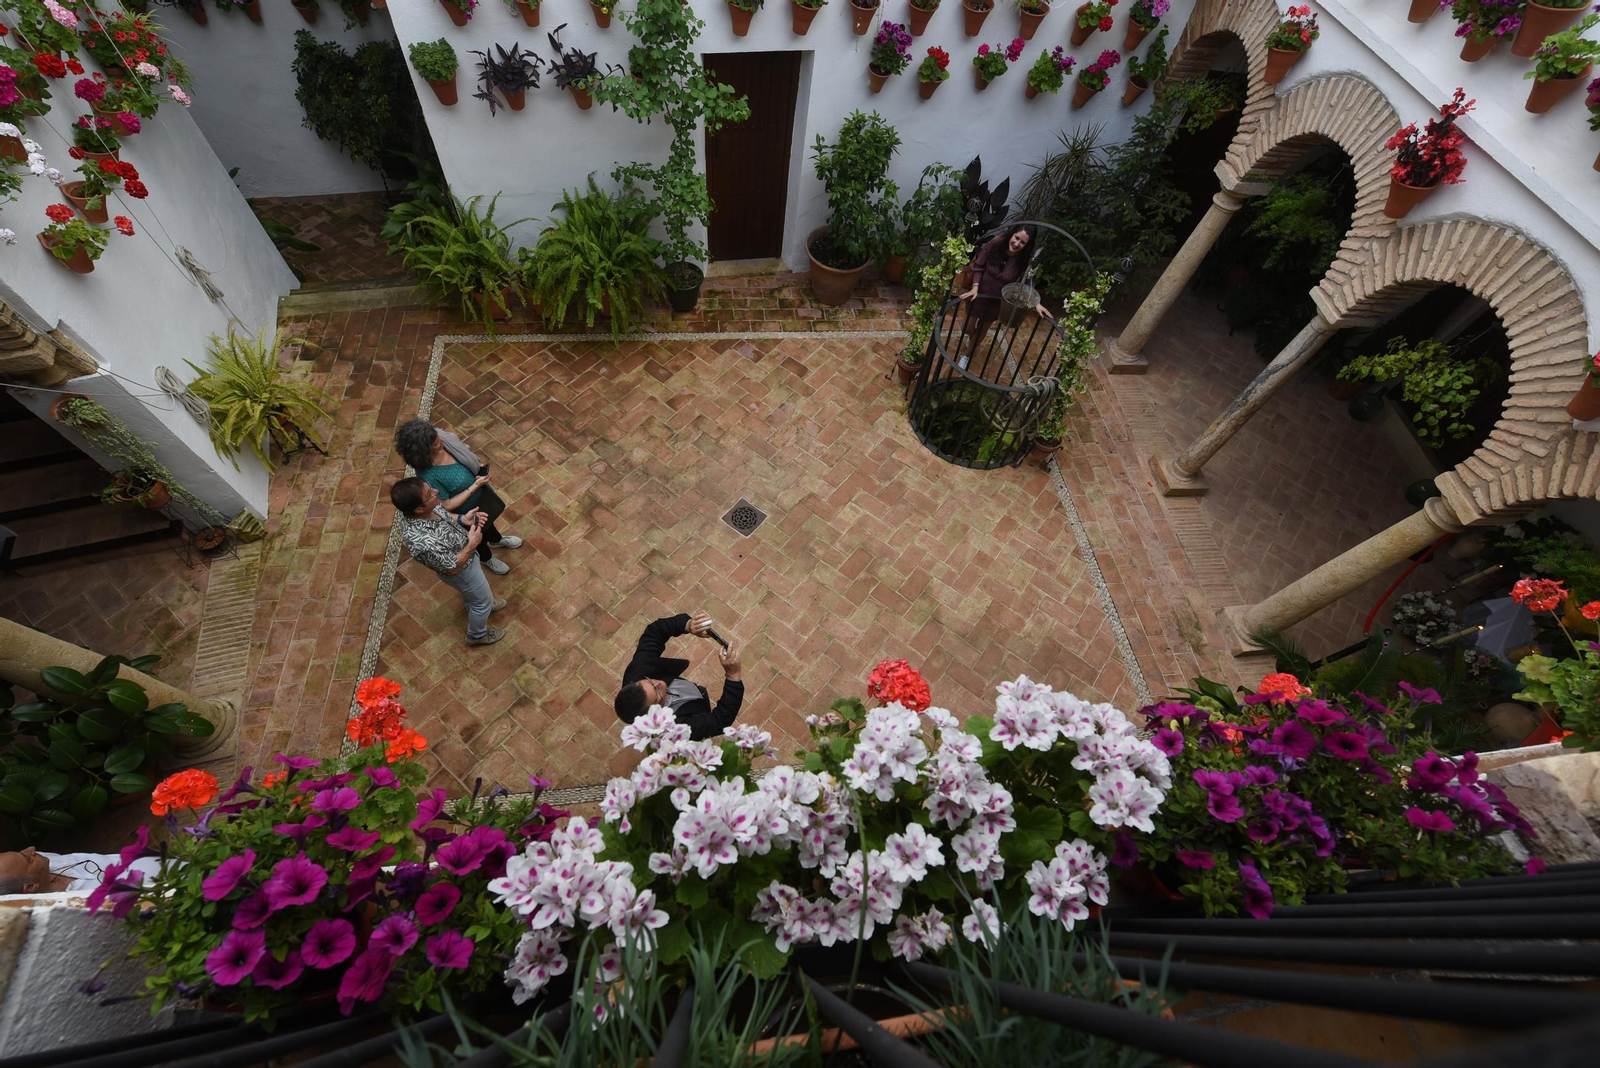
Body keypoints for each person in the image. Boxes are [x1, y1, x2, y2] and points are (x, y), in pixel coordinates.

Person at [395, 417, 521, 576]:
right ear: (424, 450)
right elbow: (446, 505)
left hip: (482, 497)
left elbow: (463, 449)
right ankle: (487, 558)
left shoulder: (441, 439)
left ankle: (496, 540)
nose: (441, 439)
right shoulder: (428, 474)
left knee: (490, 521)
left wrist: (476, 464)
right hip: (466, 510)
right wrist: (474, 487)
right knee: (477, 537)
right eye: (435, 442)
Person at [390, 477, 508, 646]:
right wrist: (472, 544)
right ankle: (477, 634)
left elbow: (443, 515)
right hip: (463, 571)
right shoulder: (422, 543)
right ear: (418, 509)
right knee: (482, 601)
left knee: (475, 597)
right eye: (430, 493)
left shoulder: (426, 508)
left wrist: (463, 519)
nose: (436, 492)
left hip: (467, 560)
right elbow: (452, 568)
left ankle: (476, 603)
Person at [613, 610, 744, 740]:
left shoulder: (638, 673)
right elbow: (720, 720)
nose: (659, 683)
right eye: (658, 693)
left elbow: (655, 632)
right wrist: (733, 676)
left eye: (650, 682)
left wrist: (687, 625)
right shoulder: (676, 730)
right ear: (655, 716)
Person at [957, 224, 1053, 365]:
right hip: (979, 294)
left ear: (1027, 245)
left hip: (997, 302)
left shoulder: (1024, 259)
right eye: (1016, 238)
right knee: (967, 328)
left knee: (982, 330)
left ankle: (966, 355)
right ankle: (972, 339)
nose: (1017, 243)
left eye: (1022, 242)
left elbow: (1026, 282)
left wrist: (1036, 303)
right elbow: (979, 266)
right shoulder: (996, 243)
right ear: (1012, 233)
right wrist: (975, 287)